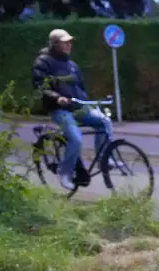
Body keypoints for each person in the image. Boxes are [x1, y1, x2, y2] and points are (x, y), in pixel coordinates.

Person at [31, 29, 113, 190]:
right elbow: (40, 86)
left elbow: (80, 87)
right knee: (76, 139)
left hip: (77, 106)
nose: (69, 45)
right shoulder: (43, 62)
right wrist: (57, 98)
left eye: (70, 42)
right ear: (55, 44)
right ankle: (65, 173)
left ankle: (103, 158)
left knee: (104, 122)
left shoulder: (72, 65)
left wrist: (88, 103)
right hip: (59, 109)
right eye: (65, 42)